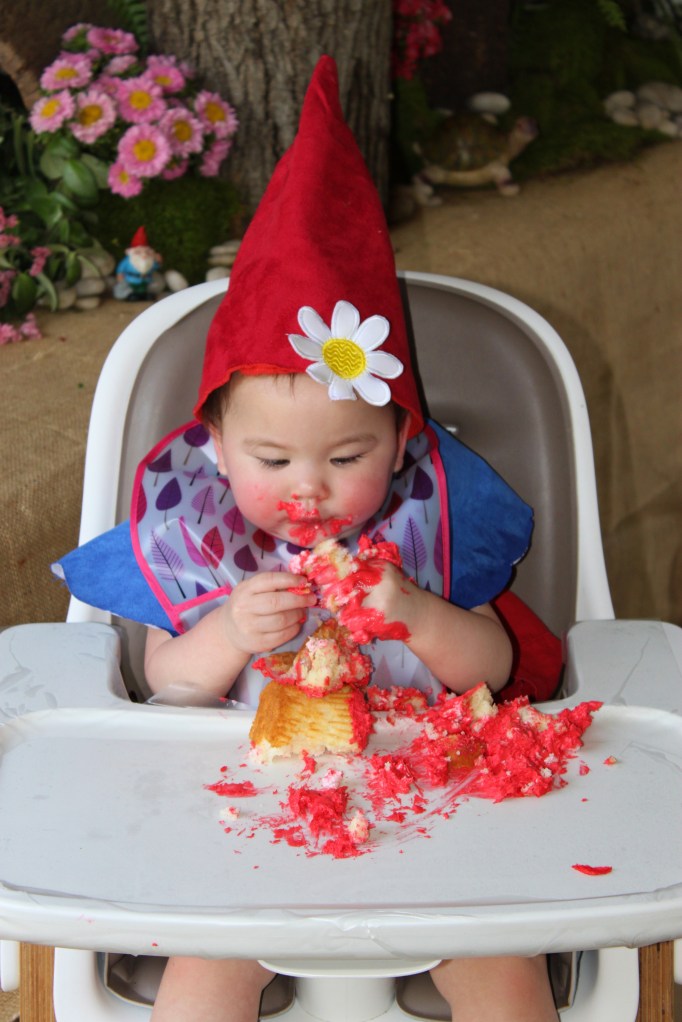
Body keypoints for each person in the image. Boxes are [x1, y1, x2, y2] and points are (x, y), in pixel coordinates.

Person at [55, 56, 560, 1022]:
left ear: (406, 439)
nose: (311, 489)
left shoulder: (423, 531)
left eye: (349, 454)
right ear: (214, 447)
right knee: (207, 969)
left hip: (437, 815)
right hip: (247, 818)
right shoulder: (212, 548)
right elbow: (171, 680)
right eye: (273, 460)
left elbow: (493, 664)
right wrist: (235, 633)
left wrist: (415, 614)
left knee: (503, 968)